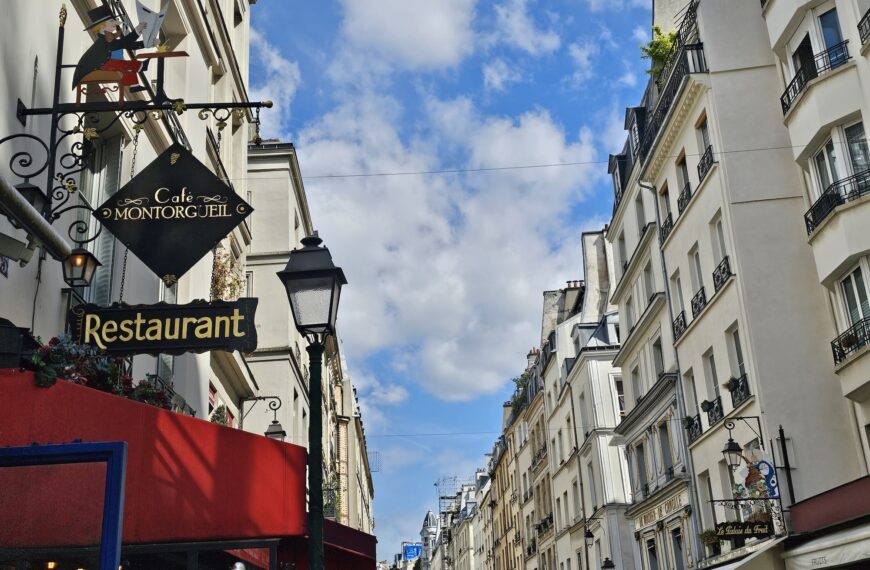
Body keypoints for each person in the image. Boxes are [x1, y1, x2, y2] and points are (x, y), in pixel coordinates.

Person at [72, 5, 147, 93]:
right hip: (95, 68)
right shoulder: (103, 40)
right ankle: (140, 66)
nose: (115, 24)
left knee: (123, 65)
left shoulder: (108, 38)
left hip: (102, 64)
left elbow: (125, 44)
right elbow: (123, 43)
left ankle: (134, 85)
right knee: (123, 64)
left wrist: (146, 43)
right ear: (102, 26)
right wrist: (138, 30)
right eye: (111, 21)